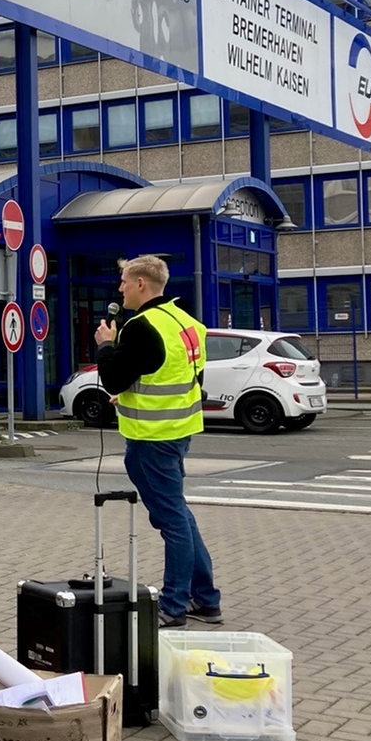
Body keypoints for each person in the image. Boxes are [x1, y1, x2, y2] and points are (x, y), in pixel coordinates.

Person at [95, 254, 222, 629]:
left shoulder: (140, 327)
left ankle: (174, 605)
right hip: (178, 431)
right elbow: (173, 377)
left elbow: (114, 377)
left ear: (140, 284)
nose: (119, 288)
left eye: (123, 281)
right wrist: (131, 394)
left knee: (173, 522)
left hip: (151, 439)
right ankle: (207, 601)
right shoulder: (187, 323)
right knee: (179, 515)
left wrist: (106, 344)